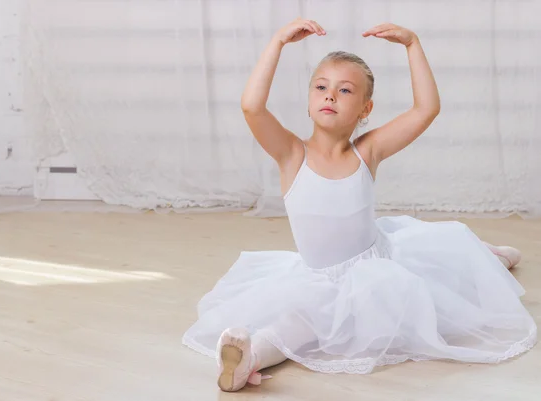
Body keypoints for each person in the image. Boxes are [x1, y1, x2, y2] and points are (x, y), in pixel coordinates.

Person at [182, 18, 537, 392]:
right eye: (321, 87)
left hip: (376, 270)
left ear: (365, 108)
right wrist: (278, 42)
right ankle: (245, 360)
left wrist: (412, 44)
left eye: (344, 90)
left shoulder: (367, 151)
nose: (330, 95)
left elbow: (426, 109)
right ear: (308, 103)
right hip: (316, 280)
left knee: (452, 261)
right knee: (293, 324)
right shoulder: (291, 154)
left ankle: (492, 256)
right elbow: (252, 107)